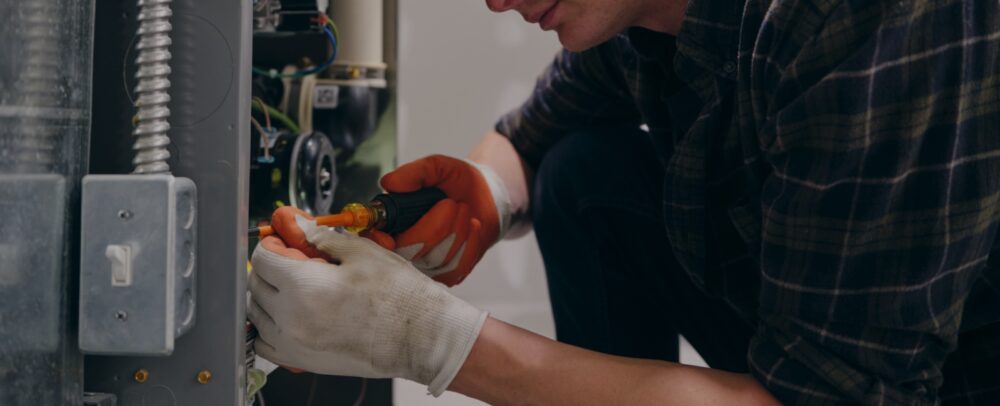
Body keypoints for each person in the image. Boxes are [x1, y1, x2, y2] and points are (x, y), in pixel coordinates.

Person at [248, 0, 1000, 403]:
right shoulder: (643, 20)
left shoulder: (868, 19)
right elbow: (531, 138)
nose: (496, 0)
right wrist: (486, 197)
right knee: (583, 171)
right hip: (813, 354)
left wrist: (428, 340)